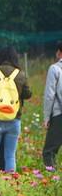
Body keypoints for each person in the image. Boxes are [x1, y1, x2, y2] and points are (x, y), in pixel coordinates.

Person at [43, 41, 62, 170]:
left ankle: (51, 176)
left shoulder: (55, 69)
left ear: (59, 53)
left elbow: (50, 95)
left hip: (59, 114)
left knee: (49, 150)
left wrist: (46, 117)